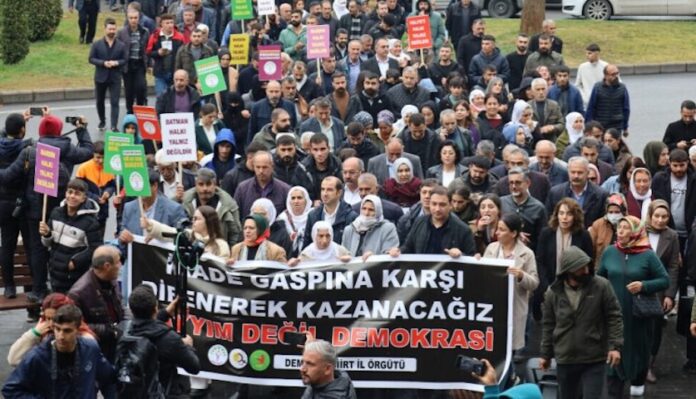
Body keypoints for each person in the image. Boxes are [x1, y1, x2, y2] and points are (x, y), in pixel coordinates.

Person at [0, 114, 94, 303]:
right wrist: (82, 130)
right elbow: (88, 151)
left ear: (41, 131)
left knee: (36, 249)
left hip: (35, 211)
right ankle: (60, 287)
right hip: (62, 209)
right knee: (60, 247)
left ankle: (39, 288)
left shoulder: (31, 150)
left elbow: (8, 176)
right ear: (59, 131)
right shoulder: (67, 148)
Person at [598, 215, 669, 398]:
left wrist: (644, 286)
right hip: (613, 315)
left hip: (638, 317)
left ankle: (637, 388)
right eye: (619, 227)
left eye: (625, 228)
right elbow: (599, 279)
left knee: (638, 354)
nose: (620, 231)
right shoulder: (610, 252)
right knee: (613, 355)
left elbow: (664, 280)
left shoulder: (648, 255)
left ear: (636, 231)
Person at [540, 246, 624, 399]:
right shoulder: (553, 293)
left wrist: (615, 347)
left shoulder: (602, 286)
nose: (585, 271)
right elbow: (548, 324)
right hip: (565, 358)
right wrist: (545, 354)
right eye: (580, 268)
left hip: (594, 357)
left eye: (587, 266)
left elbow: (614, 316)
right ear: (568, 270)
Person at [2, 305, 116, 398]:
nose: (61, 336)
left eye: (67, 331)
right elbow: (10, 389)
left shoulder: (90, 349)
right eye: (57, 329)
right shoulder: (38, 356)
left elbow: (109, 377)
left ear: (78, 330)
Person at [127, 285, 201, 398]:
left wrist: (166, 313)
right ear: (155, 308)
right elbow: (194, 367)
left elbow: (144, 324)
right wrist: (188, 346)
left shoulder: (123, 330)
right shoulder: (169, 339)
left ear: (131, 309)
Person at [483, 213, 539, 356]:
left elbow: (534, 283)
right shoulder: (491, 249)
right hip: (492, 308)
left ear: (513, 233)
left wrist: (521, 275)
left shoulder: (527, 254)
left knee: (511, 351)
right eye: (497, 229)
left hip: (514, 308)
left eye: (502, 229)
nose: (497, 233)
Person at [39, 179, 101, 294]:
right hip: (54, 272)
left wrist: (75, 262)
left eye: (77, 194)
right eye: (70, 192)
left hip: (74, 276)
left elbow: (95, 248)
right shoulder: (56, 213)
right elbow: (47, 243)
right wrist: (47, 234)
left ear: (84, 198)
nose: (72, 196)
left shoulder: (90, 222)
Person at [644, 200, 680, 382]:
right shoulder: (639, 231)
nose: (660, 220)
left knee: (655, 329)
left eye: (664, 216)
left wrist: (669, 295)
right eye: (656, 216)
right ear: (650, 215)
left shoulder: (671, 236)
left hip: (658, 288)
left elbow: (674, 266)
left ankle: (649, 366)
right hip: (638, 285)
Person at [68, 245, 124, 362]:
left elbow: (119, 306)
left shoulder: (111, 280)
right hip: (96, 351)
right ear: (107, 266)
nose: (120, 266)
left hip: (115, 344)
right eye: (118, 262)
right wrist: (110, 330)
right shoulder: (79, 293)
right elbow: (76, 326)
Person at [7, 293, 95, 367]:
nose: (50, 324)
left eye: (54, 319)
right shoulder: (43, 330)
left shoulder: (84, 336)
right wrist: (34, 333)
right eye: (47, 318)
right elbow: (13, 359)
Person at [0, 111, 33, 299]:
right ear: (22, 130)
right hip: (23, 202)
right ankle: (32, 286)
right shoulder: (26, 147)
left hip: (3, 203)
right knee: (29, 246)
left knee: (7, 245)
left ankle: (9, 287)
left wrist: (17, 123)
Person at [390, 186, 475, 257]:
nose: (437, 209)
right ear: (429, 204)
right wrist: (398, 251)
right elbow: (408, 247)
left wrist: (461, 255)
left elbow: (471, 258)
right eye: (434, 204)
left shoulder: (463, 230)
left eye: (442, 205)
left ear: (450, 206)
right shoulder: (419, 222)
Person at [143, 204, 230, 258]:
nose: (193, 221)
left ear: (208, 221)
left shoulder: (221, 245)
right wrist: (151, 226)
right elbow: (170, 232)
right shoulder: (188, 235)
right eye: (193, 218)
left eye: (197, 219)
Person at [182, 168, 242, 245]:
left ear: (215, 185)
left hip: (219, 251)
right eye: (201, 184)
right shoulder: (185, 202)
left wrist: (229, 251)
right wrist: (176, 199)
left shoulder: (228, 205)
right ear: (195, 185)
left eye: (208, 184)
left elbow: (236, 233)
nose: (205, 188)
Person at [546, 157, 608, 228]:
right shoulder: (556, 193)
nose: (576, 176)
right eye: (573, 172)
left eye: (580, 173)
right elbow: (550, 219)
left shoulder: (601, 195)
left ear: (587, 173)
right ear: (568, 172)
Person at [89, 17, 127, 130]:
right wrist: (103, 63)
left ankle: (114, 125)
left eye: (114, 29)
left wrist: (116, 62)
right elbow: (91, 59)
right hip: (100, 77)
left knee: (115, 102)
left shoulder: (121, 45)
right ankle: (102, 121)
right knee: (99, 101)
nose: (112, 31)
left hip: (115, 77)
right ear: (105, 29)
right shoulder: (97, 44)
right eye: (110, 29)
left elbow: (125, 60)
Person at [500, 167, 548, 251]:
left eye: (518, 183)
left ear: (528, 183)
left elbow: (542, 239)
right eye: (511, 183)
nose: (514, 186)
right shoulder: (501, 203)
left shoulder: (538, 207)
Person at [303, 176, 358, 249]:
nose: (325, 194)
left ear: (339, 192)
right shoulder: (312, 215)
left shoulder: (351, 217)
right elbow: (307, 245)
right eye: (323, 189)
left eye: (329, 190)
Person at [234, 151, 290, 218]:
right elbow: (236, 217)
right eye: (258, 167)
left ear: (272, 167)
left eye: (265, 167)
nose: (261, 171)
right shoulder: (242, 189)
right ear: (253, 167)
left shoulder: (285, 190)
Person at [118, 8, 150, 114]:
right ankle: (130, 110)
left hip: (140, 63)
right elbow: (119, 48)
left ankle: (140, 107)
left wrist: (149, 64)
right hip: (128, 64)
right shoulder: (122, 32)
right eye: (131, 18)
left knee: (140, 86)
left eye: (135, 18)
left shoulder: (145, 31)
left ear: (139, 18)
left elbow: (147, 49)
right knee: (129, 90)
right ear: (127, 18)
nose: (133, 20)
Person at [146, 14, 186, 96]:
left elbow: (184, 54)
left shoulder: (180, 37)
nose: (170, 25)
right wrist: (158, 53)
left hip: (174, 72)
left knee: (173, 97)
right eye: (167, 23)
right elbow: (148, 52)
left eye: (171, 22)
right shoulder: (154, 36)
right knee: (161, 97)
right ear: (161, 24)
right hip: (160, 72)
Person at [586, 64, 631, 134]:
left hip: (616, 126)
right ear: (605, 76)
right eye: (613, 74)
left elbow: (626, 109)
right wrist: (588, 127)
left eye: (617, 73)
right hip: (600, 126)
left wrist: (625, 127)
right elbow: (591, 107)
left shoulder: (622, 88)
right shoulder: (597, 88)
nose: (616, 76)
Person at [278, 186, 313, 258]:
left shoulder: (313, 215)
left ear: (306, 200)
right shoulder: (282, 218)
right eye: (293, 198)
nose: (296, 201)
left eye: (299, 198)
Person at [575, 43, 608, 107]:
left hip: (603, 102)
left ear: (597, 54)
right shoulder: (582, 67)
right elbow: (577, 85)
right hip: (586, 103)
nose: (587, 55)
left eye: (590, 53)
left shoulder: (606, 66)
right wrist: (584, 97)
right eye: (586, 53)